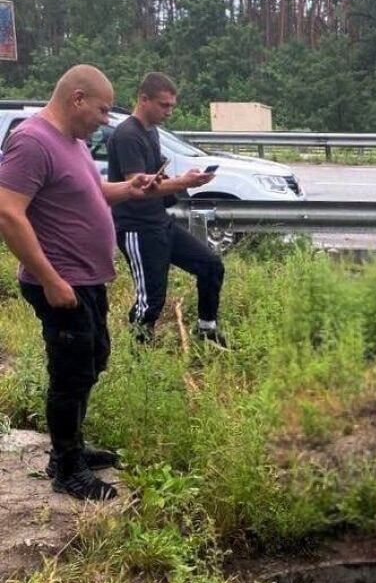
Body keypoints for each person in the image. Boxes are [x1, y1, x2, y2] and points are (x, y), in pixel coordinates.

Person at [0, 65, 158, 500]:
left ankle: (72, 449)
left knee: (93, 359)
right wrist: (50, 280)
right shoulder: (32, 141)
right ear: (78, 99)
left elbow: (90, 194)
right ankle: (66, 469)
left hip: (86, 279)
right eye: (103, 109)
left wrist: (131, 187)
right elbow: (8, 213)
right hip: (60, 282)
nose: (106, 119)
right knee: (70, 373)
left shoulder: (73, 142)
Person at [107, 72, 225, 347]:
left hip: (160, 222)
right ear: (143, 99)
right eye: (164, 105)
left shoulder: (151, 131)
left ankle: (206, 331)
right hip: (137, 227)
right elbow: (137, 187)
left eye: (172, 105)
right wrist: (183, 182)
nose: (169, 111)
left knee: (210, 266)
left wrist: (184, 178)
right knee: (152, 299)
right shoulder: (127, 135)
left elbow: (155, 179)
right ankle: (139, 354)